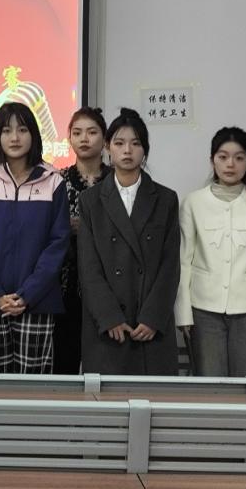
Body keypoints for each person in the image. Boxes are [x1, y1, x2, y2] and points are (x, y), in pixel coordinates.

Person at [0, 103, 70, 374]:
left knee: (32, 385)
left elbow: (57, 244)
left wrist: (27, 295)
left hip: (37, 301)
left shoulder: (53, 182)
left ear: (33, 134)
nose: (14, 137)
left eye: (22, 130)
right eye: (6, 131)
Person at [77, 108, 180, 375]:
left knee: (153, 396)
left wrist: (153, 317)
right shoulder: (90, 201)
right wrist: (109, 316)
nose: (127, 151)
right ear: (108, 147)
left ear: (144, 151)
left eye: (135, 144)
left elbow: (170, 265)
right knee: (106, 398)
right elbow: (88, 268)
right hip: (108, 326)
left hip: (150, 324)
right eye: (119, 143)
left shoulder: (166, 199)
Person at [176, 126, 246, 377]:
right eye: (223, 157)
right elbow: (183, 260)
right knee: (209, 381)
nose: (230, 164)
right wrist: (183, 313)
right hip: (203, 309)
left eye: (239, 158)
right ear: (212, 160)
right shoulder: (193, 202)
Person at [55, 107, 110, 375]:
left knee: (102, 364)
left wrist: (88, 228)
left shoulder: (116, 180)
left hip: (108, 283)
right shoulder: (56, 180)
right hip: (63, 282)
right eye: (77, 133)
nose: (84, 139)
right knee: (63, 361)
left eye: (92, 132)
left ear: (105, 138)